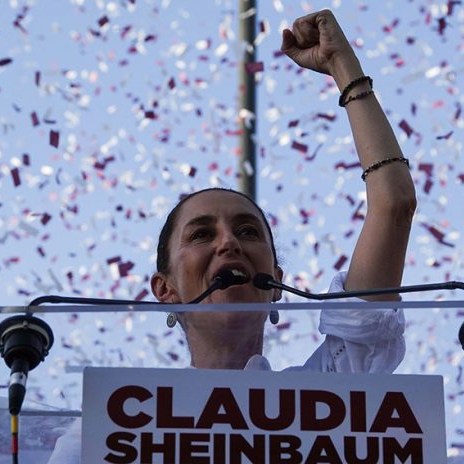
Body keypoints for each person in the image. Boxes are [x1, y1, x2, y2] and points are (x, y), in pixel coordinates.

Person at [47, 9, 415, 463]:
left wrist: (344, 70)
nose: (229, 242)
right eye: (202, 234)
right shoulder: (106, 431)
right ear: (165, 290)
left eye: (247, 231)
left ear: (276, 281)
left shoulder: (330, 397)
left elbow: (393, 205)